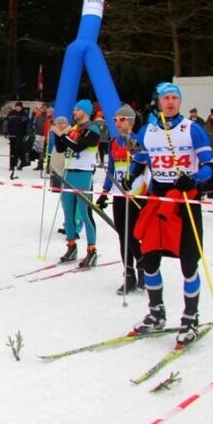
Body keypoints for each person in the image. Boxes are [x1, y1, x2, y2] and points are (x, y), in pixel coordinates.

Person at [128, 82, 213, 347]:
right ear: (158, 101)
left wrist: (195, 179)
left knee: (188, 263)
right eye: (166, 98)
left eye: (175, 98)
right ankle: (156, 313)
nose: (171, 102)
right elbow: (141, 158)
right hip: (158, 200)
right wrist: (130, 172)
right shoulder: (149, 131)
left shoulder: (192, 129)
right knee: (150, 260)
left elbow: (211, 167)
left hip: (185, 200)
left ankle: (190, 317)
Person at [96, 104, 146, 294]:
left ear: (131, 121)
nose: (118, 123)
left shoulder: (138, 141)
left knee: (133, 236)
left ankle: (144, 269)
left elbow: (146, 165)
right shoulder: (114, 142)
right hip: (119, 194)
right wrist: (104, 193)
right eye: (116, 120)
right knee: (122, 235)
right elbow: (111, 170)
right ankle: (129, 275)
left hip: (136, 194)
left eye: (122, 120)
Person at [51, 99, 100, 266]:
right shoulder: (73, 129)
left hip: (83, 174)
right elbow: (61, 148)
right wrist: (58, 134)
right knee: (67, 211)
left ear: (85, 112)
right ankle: (71, 246)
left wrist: (62, 135)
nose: (74, 113)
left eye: (77, 110)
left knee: (84, 213)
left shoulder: (92, 129)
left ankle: (92, 250)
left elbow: (79, 146)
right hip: (69, 173)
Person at [5, 102, 30, 171]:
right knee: (12, 151)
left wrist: (27, 133)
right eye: (16, 106)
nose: (18, 108)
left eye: (19, 107)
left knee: (20, 151)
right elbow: (6, 123)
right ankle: (12, 165)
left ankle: (20, 164)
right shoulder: (11, 114)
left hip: (21, 136)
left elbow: (28, 125)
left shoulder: (24, 115)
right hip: (12, 135)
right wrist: (5, 132)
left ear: (21, 107)